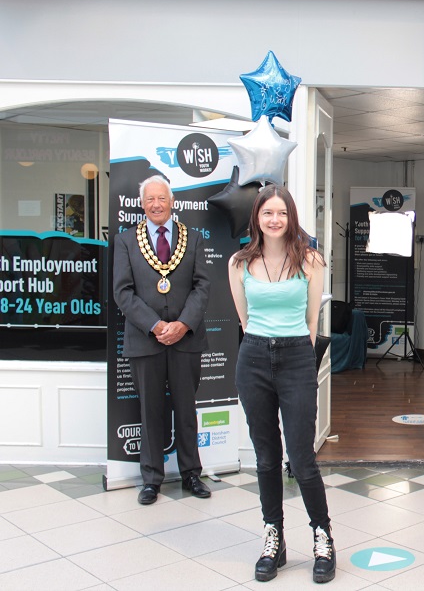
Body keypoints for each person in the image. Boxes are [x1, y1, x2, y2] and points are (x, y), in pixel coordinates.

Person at [228, 185, 335, 584]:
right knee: (266, 458)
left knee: (302, 459)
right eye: (267, 213)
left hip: (295, 358)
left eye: (282, 213)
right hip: (253, 358)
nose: (275, 220)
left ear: (291, 217)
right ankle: (274, 537)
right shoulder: (239, 262)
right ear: (257, 217)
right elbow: (245, 319)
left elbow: (311, 322)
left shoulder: (310, 260)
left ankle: (322, 535)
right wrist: (264, 343)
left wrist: (295, 356)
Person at [112, 175, 212, 505]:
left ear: (172, 203)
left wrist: (183, 324)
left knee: (186, 409)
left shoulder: (192, 238)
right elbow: (122, 292)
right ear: (142, 204)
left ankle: (191, 474)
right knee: (150, 411)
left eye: (162, 198)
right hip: (146, 340)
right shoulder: (126, 240)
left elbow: (202, 287)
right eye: (150, 199)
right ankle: (151, 479)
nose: (156, 204)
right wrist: (156, 326)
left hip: (185, 339)